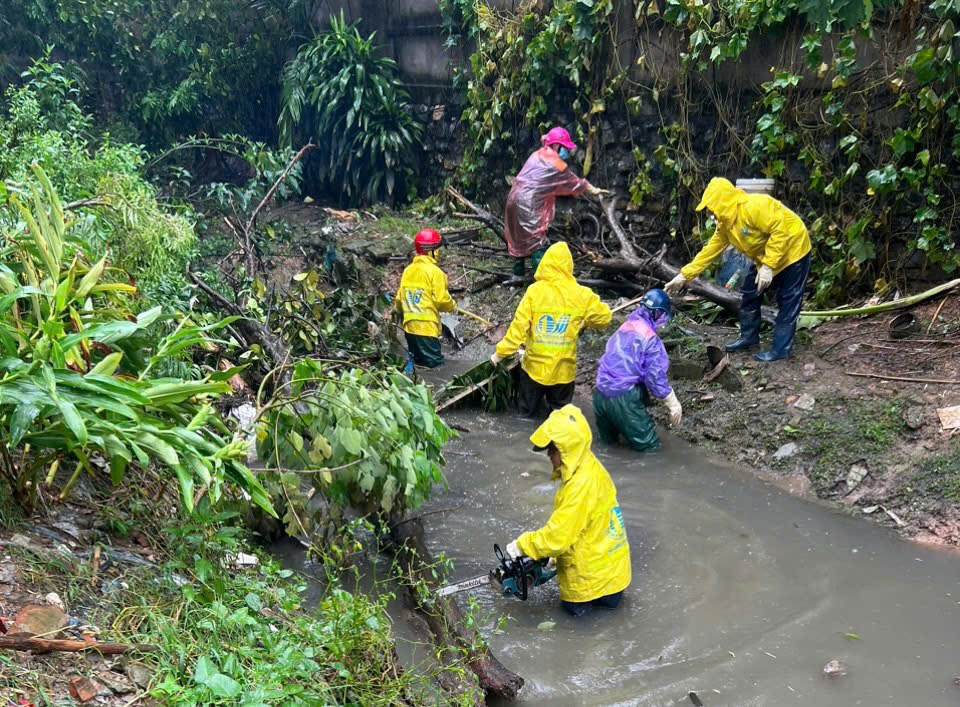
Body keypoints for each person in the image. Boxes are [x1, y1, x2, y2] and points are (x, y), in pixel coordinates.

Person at [664, 177, 811, 362]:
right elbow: (710, 250)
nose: (710, 212)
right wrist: (684, 275)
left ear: (722, 202)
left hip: (794, 251)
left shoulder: (754, 206)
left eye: (711, 207)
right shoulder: (725, 225)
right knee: (750, 293)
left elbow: (781, 230)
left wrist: (768, 266)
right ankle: (749, 337)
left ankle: (781, 349)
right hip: (765, 258)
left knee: (788, 299)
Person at [506, 404, 631, 617]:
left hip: (588, 585)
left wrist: (522, 545)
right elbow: (584, 525)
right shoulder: (592, 467)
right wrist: (554, 557)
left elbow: (557, 537)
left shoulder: (578, 486)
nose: (549, 456)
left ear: (565, 450)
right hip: (615, 574)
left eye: (552, 450)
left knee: (577, 631)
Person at [490, 242, 611, 417]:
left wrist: (499, 354)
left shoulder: (534, 292)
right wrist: (585, 322)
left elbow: (518, 329)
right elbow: (604, 317)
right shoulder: (582, 294)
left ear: (545, 264)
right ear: (569, 266)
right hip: (564, 373)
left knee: (525, 417)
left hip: (533, 371)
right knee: (560, 419)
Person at [504, 127, 609, 276]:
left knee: (519, 237)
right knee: (536, 241)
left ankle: (517, 274)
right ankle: (539, 278)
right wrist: (592, 189)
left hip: (513, 197)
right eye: (565, 147)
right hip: (529, 202)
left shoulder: (537, 154)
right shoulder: (556, 162)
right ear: (556, 145)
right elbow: (571, 180)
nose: (566, 151)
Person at [593, 289, 682, 452]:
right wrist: (671, 401)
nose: (663, 321)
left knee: (607, 446)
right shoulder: (650, 338)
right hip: (623, 398)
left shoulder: (625, 327)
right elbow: (654, 377)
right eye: (662, 316)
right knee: (650, 448)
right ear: (657, 313)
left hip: (599, 394)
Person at [395, 228, 456, 368]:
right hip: (426, 329)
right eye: (438, 249)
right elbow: (441, 300)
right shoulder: (436, 272)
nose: (440, 253)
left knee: (419, 364)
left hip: (409, 329)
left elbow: (399, 299)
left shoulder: (408, 270)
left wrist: (397, 313)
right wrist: (452, 305)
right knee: (436, 367)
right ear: (430, 251)